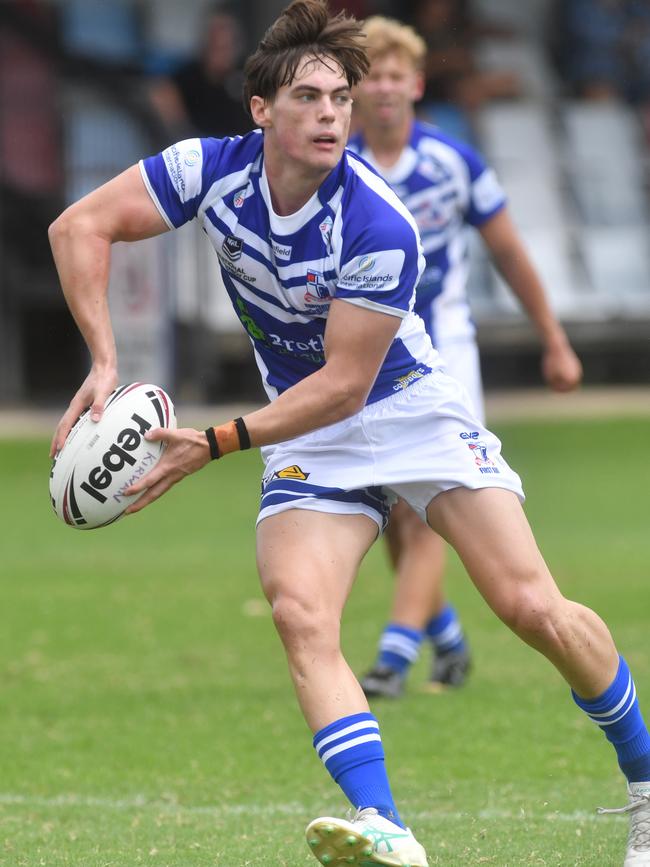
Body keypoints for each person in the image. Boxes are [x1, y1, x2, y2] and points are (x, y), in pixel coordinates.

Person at [48, 1, 650, 864]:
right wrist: (104, 362)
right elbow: (80, 226)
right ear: (262, 108)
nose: (332, 113)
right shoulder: (207, 169)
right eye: (310, 96)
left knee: (531, 607)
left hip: (406, 412)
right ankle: (388, 826)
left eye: (341, 98)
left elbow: (343, 386)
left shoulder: (378, 223)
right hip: (309, 433)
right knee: (300, 611)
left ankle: (648, 783)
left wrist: (215, 441)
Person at [348, 15, 584, 700]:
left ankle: (392, 659)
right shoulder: (344, 168)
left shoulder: (453, 162)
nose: (386, 89)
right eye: (374, 77)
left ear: (417, 84)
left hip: (443, 347)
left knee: (429, 504)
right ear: (358, 90)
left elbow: (508, 250)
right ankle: (445, 636)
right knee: (392, 502)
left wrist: (555, 338)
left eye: (397, 75)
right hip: (373, 348)